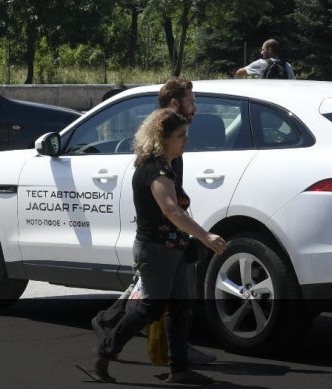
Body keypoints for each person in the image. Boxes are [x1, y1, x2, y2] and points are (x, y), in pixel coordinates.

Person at [87, 109, 227, 384]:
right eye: (180, 135)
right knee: (151, 307)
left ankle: (179, 369)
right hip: (156, 249)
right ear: (162, 137)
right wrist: (205, 236)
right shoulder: (157, 169)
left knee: (179, 308)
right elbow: (171, 211)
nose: (186, 140)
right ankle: (105, 352)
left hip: (171, 248)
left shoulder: (163, 166)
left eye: (186, 134)